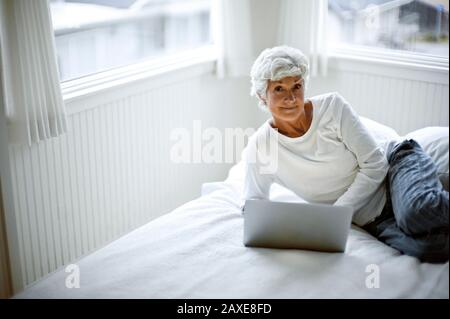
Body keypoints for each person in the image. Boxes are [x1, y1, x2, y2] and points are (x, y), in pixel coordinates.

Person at [241, 45, 448, 263]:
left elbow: (376, 163)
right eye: (279, 89)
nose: (291, 97)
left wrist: (336, 216)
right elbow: (254, 201)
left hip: (395, 167)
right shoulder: (261, 147)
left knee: (416, 213)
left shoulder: (332, 107)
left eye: (297, 86)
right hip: (370, 218)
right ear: (262, 96)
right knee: (430, 249)